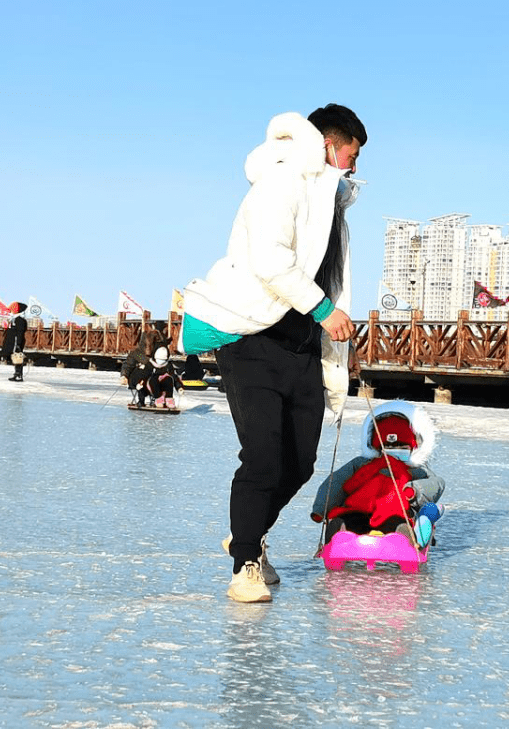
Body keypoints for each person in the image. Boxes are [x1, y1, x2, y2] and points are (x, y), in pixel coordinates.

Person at [180, 104, 366, 602]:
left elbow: (331, 281)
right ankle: (245, 562)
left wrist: (332, 335)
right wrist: (324, 310)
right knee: (263, 456)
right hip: (252, 338)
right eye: (351, 156)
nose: (354, 169)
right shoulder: (282, 180)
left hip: (303, 344)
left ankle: (249, 530)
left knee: (300, 461)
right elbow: (269, 258)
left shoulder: (332, 206)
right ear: (330, 145)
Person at [311, 401, 444, 547]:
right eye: (388, 446)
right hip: (359, 506)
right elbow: (337, 480)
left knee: (396, 521)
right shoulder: (362, 464)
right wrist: (321, 508)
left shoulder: (415, 468)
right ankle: (339, 534)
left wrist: (415, 490)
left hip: (396, 509)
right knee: (349, 519)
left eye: (401, 446)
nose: (394, 450)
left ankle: (403, 538)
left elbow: (436, 484)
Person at [121, 329, 163, 407]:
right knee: (141, 371)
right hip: (139, 380)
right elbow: (128, 364)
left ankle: (160, 399)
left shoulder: (160, 353)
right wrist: (124, 376)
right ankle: (141, 400)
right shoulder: (137, 353)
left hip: (154, 378)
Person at [1, 302, 28, 382]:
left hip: (16, 342)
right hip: (11, 341)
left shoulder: (20, 320)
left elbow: (20, 332)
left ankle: (19, 375)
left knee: (18, 358)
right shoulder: (13, 319)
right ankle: (16, 373)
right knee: (14, 358)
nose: (10, 311)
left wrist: (18, 344)